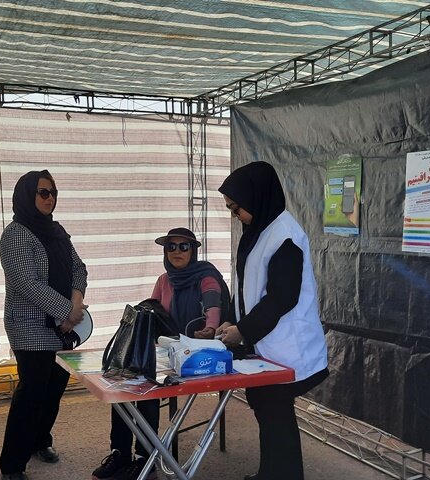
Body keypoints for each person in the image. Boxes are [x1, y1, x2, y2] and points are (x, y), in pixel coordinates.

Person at [215, 161, 329, 480]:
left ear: (258, 197)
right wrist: (231, 321)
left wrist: (243, 330)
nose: (235, 215)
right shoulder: (258, 232)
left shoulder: (285, 236)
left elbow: (282, 297)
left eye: (237, 208)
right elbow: (246, 287)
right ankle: (271, 473)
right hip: (266, 343)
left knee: (275, 414)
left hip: (287, 345)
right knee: (268, 410)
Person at [92, 227, 229, 480]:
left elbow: (213, 309)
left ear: (193, 251)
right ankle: (120, 453)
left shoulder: (206, 277)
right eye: (171, 247)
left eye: (183, 246)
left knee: (148, 389)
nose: (177, 251)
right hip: (167, 352)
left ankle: (145, 459)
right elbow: (152, 313)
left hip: (197, 356)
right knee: (124, 381)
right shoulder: (164, 280)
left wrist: (209, 329)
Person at [0, 170, 88, 480]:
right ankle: (12, 463)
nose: (50, 198)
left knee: (54, 389)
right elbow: (27, 283)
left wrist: (75, 304)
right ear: (27, 195)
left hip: (64, 325)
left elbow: (79, 268)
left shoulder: (56, 230)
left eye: (53, 193)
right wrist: (68, 312)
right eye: (43, 192)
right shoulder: (15, 234)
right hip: (30, 327)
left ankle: (40, 441)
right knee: (32, 393)